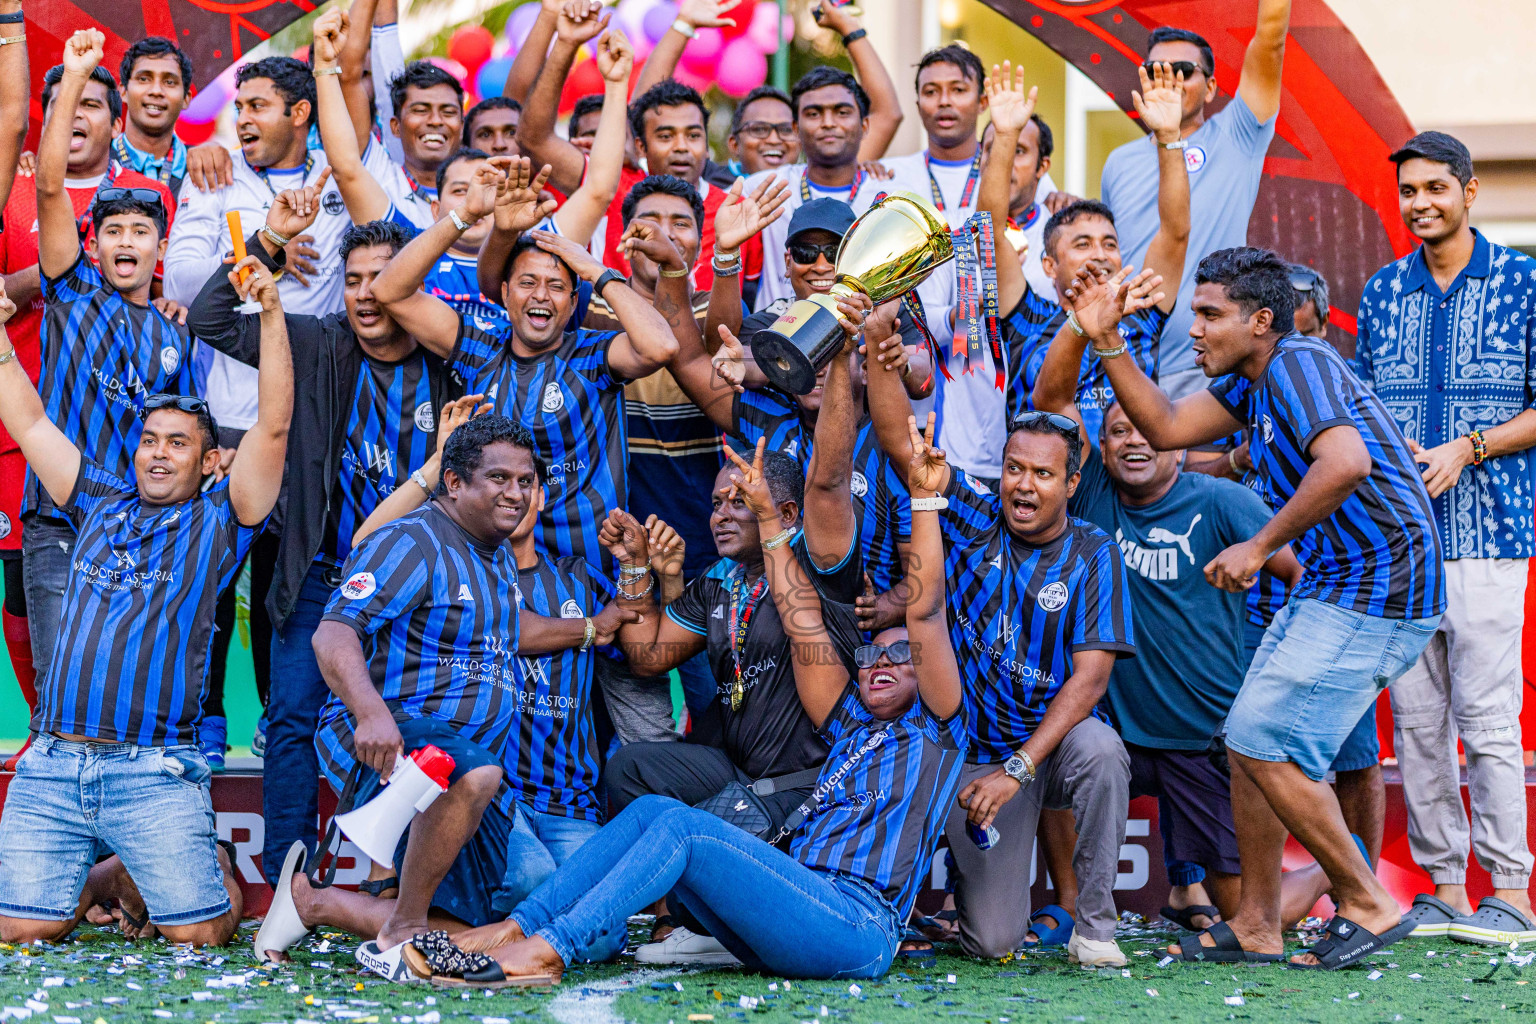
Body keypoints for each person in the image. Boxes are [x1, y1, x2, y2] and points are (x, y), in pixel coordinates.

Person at [400, 429, 965, 986]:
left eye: (904, 659)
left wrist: (924, 501)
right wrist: (752, 531)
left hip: (858, 923)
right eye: (870, 654)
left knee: (683, 827)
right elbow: (804, 624)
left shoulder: (936, 727)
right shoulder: (848, 722)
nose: (881, 663)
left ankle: (551, 949)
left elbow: (927, 612)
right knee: (650, 812)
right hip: (793, 893)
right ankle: (513, 929)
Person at [1070, 246, 1443, 968]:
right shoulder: (1256, 378)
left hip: (1384, 584)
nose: (1197, 331)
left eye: (1211, 315)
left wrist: (1259, 544)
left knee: (1266, 740)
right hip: (1338, 579)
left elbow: (1347, 463)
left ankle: (1364, 899)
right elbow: (1169, 427)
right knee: (1246, 738)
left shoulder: (1299, 361)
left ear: (1261, 320)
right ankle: (1258, 924)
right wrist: (1105, 339)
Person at [256, 415, 644, 977]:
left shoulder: (498, 555)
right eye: (499, 479)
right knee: (480, 785)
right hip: (389, 740)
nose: (516, 493)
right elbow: (333, 631)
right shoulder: (412, 540)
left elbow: (513, 630)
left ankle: (319, 902)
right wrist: (369, 714)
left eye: (525, 481)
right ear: (455, 483)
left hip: (461, 768)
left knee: (540, 918)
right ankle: (404, 927)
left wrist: (593, 627)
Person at [1028, 275, 1350, 932]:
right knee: (1053, 743)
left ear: (1172, 438)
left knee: (1243, 913)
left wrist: (1272, 657)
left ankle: (1328, 871)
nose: (1134, 441)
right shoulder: (1091, 492)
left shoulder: (1222, 501)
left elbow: (1297, 574)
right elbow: (1050, 399)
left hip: (1201, 732)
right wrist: (1083, 327)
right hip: (1115, 723)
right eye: (1116, 433)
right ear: (1101, 448)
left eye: (1144, 430)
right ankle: (1067, 904)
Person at [0, 231, 291, 944]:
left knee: (201, 938)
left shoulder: (221, 522)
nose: (159, 453)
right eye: (150, 440)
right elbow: (30, 417)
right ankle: (108, 872)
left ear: (210, 458)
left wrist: (274, 314)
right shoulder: (95, 497)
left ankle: (198, 858)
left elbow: (276, 425)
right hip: (53, 761)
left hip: (152, 768)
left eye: (178, 442)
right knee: (19, 934)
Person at [188, 197, 458, 887]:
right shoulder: (314, 342)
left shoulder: (447, 359)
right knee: (292, 718)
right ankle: (288, 883)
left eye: (382, 277)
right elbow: (213, 317)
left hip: (419, 584)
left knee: (419, 721)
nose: (367, 294)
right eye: (355, 278)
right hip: (321, 572)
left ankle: (405, 881)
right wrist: (274, 238)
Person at [863, 300, 1136, 968]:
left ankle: (1095, 928)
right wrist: (877, 349)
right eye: (1015, 467)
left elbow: (1091, 679)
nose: (1024, 485)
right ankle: (968, 889)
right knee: (993, 943)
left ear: (1071, 482)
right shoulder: (974, 515)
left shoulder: (1094, 550)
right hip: (975, 755)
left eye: (1043, 474)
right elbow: (905, 448)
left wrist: (1021, 767)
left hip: (1045, 749)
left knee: (1101, 749)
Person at [1355, 131, 1536, 944]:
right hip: (1402, 544)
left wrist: (1472, 446)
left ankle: (1511, 891)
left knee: (1488, 719)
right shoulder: (1385, 292)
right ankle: (1443, 889)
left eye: (1435, 188)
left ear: (1469, 192)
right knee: (1418, 719)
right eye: (1409, 192)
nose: (1420, 203)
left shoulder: (1527, 283)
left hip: (1490, 535)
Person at [21, 29, 193, 740]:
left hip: (139, 538)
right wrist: (76, 74)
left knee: (126, 703)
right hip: (60, 530)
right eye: (113, 231)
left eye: (139, 233)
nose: (125, 242)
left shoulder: (178, 333)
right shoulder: (70, 295)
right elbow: (54, 183)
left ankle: (114, 852)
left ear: (160, 247)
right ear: (94, 245)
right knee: (63, 700)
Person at [880, 45, 1061, 485]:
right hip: (950, 419)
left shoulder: (1060, 225)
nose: (944, 100)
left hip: (1036, 420)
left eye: (1020, 149)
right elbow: (921, 320)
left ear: (1042, 168)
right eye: (1000, 149)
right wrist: (970, 304)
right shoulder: (893, 183)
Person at [986, 62, 1188, 448]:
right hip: (1047, 493)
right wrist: (1006, 137)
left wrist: (1169, 138)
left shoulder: (1142, 312)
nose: (1100, 255)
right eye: (1082, 244)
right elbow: (990, 232)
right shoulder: (1026, 317)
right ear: (1049, 266)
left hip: (1131, 489)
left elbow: (1175, 233)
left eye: (1109, 243)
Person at [1099, 0, 1291, 400]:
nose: (1167, 81)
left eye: (1183, 72)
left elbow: (1270, 42)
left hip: (1212, 365)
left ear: (1211, 87)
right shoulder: (1118, 162)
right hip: (1130, 361)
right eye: (1155, 72)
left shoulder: (1238, 134)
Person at [516, 1, 763, 292]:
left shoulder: (733, 212)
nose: (681, 147)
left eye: (693, 135)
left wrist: (683, 24)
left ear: (708, 148)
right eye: (665, 136)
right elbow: (533, 139)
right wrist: (566, 44)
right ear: (640, 147)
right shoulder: (612, 185)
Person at [748, 62, 897, 310]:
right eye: (814, 113)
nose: (828, 122)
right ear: (795, 128)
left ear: (864, 126)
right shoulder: (762, 189)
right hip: (776, 336)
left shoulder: (887, 201)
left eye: (842, 112)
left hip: (861, 343)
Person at [113, 38, 192, 193]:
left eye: (169, 82)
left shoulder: (205, 169)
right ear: (123, 91)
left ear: (186, 99)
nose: (156, 91)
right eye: (144, 79)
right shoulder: (95, 162)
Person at [725, 86, 800, 176]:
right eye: (759, 129)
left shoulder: (813, 188)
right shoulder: (715, 189)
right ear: (735, 145)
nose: (773, 140)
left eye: (786, 130)